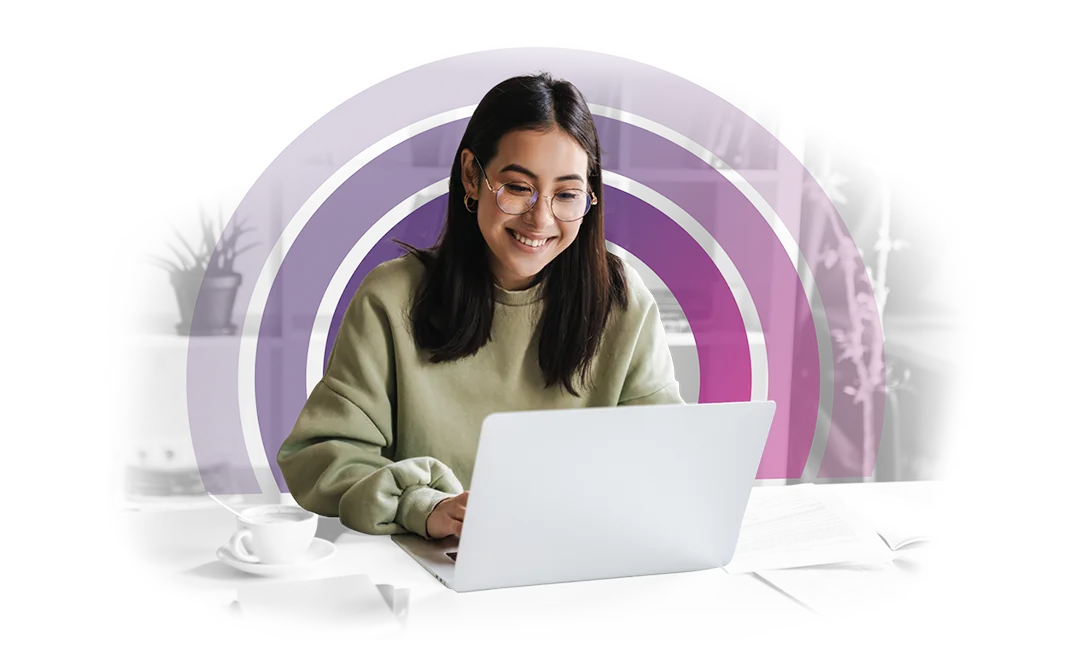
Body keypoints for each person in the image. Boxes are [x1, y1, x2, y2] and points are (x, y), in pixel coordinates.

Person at [277, 71, 684, 541]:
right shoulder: (390, 299)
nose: (541, 218)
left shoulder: (623, 301)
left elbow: (663, 452)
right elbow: (323, 454)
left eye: (567, 194)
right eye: (517, 187)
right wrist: (421, 505)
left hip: (577, 557)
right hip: (430, 561)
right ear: (472, 176)